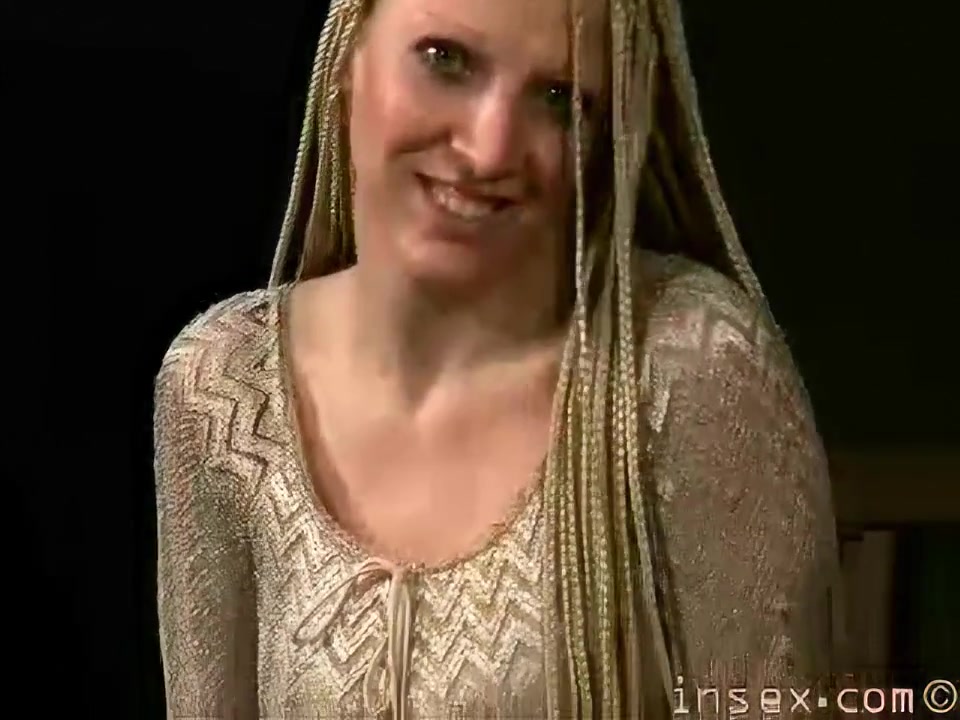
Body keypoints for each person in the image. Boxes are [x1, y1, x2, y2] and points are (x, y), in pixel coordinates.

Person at [153, 0, 845, 716]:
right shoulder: (226, 384)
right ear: (349, 52)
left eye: (559, 99)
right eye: (445, 60)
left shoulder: (687, 366)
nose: (490, 151)